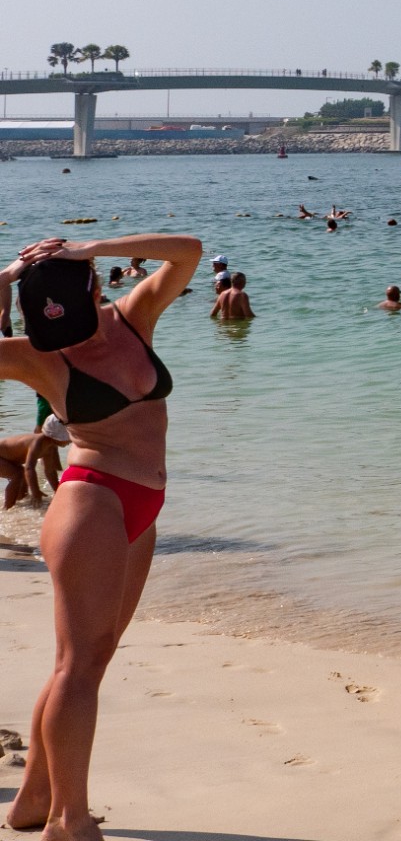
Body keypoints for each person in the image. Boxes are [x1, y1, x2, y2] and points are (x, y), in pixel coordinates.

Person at [0, 230, 202, 837]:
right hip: (92, 504)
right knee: (79, 666)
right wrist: (5, 280)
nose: (69, 334)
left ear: (94, 289)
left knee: (90, 658)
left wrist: (91, 249)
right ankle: (69, 819)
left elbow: (188, 250)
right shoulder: (38, 355)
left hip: (141, 508)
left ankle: (33, 799)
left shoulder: (134, 315)